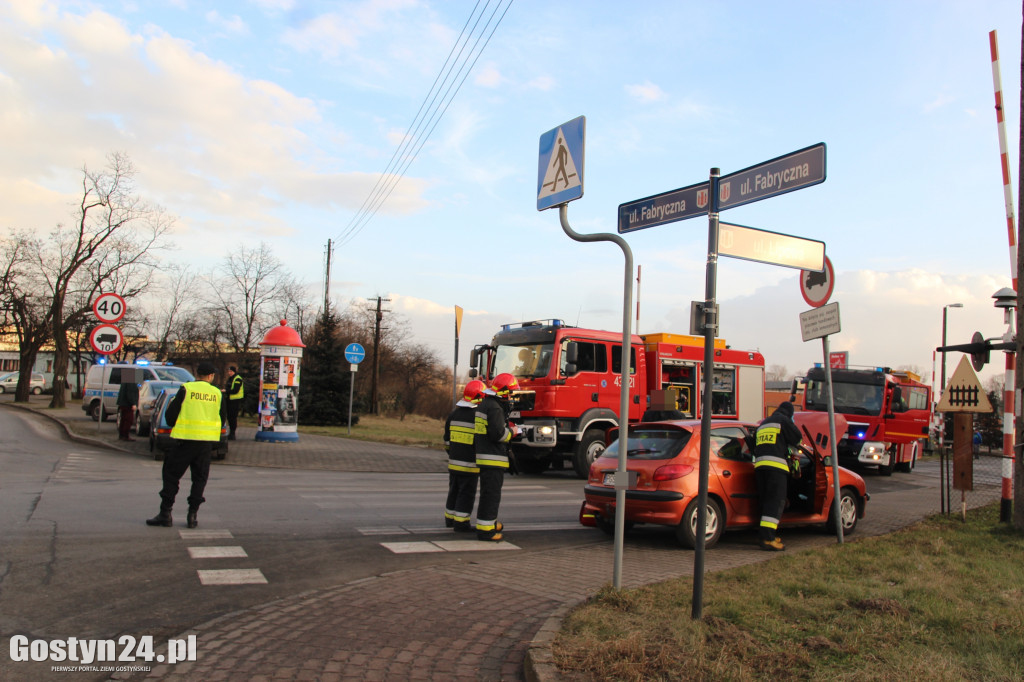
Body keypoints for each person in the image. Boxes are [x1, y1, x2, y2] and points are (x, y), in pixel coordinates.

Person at [146, 361, 226, 529]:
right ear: (210, 376)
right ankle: (192, 515)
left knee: (171, 476)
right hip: (205, 444)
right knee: (199, 480)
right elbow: (222, 418)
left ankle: (165, 513)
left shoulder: (186, 389)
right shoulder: (217, 393)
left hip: (184, 442)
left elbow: (170, 415)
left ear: (197, 374)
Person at [474, 373, 519, 542]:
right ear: (503, 392)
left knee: (489, 494)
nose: (511, 397)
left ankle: (489, 524)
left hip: (486, 457)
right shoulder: (495, 408)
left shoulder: (486, 404)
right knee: (491, 495)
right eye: (510, 393)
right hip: (492, 458)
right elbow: (498, 435)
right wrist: (513, 432)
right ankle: (486, 531)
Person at [753, 400, 802, 551]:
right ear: (789, 414)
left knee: (766, 502)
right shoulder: (783, 421)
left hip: (760, 468)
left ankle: (765, 535)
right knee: (775, 502)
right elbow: (797, 438)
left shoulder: (763, 423)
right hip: (776, 468)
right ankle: (768, 539)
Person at [443, 380, 485, 532]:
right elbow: (481, 442)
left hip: (453, 463)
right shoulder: (477, 417)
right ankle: (461, 523)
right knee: (466, 494)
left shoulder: (453, 415)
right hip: (470, 466)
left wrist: (452, 453)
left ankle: (450, 519)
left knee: (453, 491)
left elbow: (447, 441)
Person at [116, 376, 139, 442]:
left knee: (123, 420)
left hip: (123, 403)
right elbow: (130, 393)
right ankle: (125, 436)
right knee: (128, 420)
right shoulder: (131, 381)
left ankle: (122, 435)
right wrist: (133, 403)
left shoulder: (126, 380)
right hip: (127, 404)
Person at [225, 365, 244, 440]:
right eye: (229, 371)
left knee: (233, 417)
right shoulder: (230, 379)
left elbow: (235, 390)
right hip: (229, 400)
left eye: (231, 371)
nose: (229, 373)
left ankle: (232, 433)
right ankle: (231, 433)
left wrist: (226, 391)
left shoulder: (237, 379)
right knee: (229, 417)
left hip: (235, 401)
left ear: (234, 372)